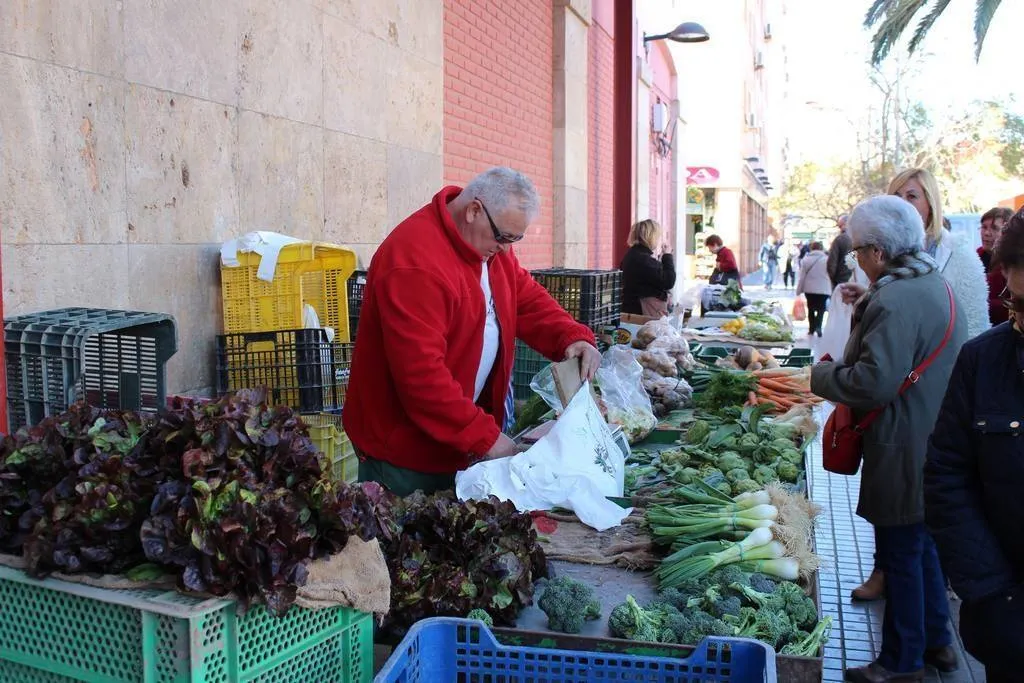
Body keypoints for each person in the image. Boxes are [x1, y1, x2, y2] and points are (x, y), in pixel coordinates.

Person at [343, 167, 602, 497]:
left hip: (457, 443)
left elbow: (524, 296)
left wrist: (570, 336)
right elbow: (422, 378)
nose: (507, 249)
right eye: (503, 238)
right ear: (474, 210)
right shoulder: (414, 262)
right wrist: (487, 438)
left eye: (515, 239)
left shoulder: (487, 244)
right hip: (405, 454)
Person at [811, 195, 966, 683]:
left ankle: (900, 662)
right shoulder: (931, 283)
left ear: (877, 251)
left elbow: (874, 382)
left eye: (858, 251)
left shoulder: (895, 298)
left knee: (900, 552)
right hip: (933, 436)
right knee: (923, 549)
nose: (856, 259)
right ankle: (938, 643)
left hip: (904, 443)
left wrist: (822, 377)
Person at [849, 168, 991, 603]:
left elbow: (971, 333)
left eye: (912, 195)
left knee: (913, 524)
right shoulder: (897, 270)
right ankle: (924, 624)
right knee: (905, 524)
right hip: (905, 403)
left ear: (931, 201)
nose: (903, 202)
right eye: (896, 196)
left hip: (929, 404)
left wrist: (824, 376)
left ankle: (909, 649)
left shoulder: (952, 259)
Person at [925, 206, 1024, 683]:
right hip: (1005, 616)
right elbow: (947, 474)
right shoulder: (984, 359)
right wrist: (989, 589)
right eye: (1017, 303)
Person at [620, 219, 676, 317]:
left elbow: (652, 278)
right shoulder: (642, 259)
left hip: (634, 310)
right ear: (651, 237)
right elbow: (668, 281)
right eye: (658, 236)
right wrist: (667, 256)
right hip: (643, 312)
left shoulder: (634, 255)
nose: (659, 240)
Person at [978, 206, 1014, 325]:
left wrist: (979, 302)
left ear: (1008, 232)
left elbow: (1012, 304)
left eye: (994, 228)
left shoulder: (1014, 262)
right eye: (984, 227)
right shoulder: (975, 257)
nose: (987, 233)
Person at [795, 241, 830, 337]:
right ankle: (818, 327)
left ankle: (811, 329)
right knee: (821, 308)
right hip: (823, 289)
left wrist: (799, 290)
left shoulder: (806, 260)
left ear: (811, 248)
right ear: (821, 248)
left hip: (809, 289)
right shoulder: (827, 259)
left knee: (811, 308)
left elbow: (801, 277)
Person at [826, 214, 853, 290]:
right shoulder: (859, 237)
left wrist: (833, 279)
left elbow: (831, 263)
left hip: (841, 281)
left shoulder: (840, 239)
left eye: (840, 226)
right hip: (857, 280)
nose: (839, 229)